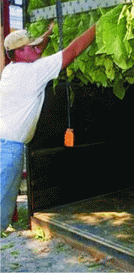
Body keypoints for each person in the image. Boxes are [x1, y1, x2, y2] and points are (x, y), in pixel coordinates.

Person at [0, 22, 96, 231]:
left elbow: (35, 50)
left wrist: (48, 33)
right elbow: (73, 51)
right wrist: (98, 26)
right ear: (18, 52)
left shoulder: (11, 69)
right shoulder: (33, 72)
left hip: (4, 144)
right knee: (0, 207)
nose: (37, 49)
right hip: (8, 151)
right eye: (31, 47)